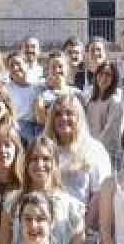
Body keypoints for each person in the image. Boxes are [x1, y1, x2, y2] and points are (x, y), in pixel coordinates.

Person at [0, 137, 87, 244]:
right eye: (34, 159)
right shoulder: (11, 203)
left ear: (55, 163)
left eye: (46, 159)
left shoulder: (73, 208)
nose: (40, 164)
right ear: (26, 164)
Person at [45, 93, 113, 226]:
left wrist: (83, 229)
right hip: (46, 225)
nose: (63, 118)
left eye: (69, 113)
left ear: (79, 117)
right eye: (58, 114)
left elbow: (99, 193)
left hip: (80, 224)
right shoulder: (45, 147)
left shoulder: (94, 149)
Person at [85, 61, 124, 169]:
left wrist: (95, 148)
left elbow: (111, 129)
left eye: (108, 74)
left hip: (108, 153)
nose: (103, 77)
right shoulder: (90, 98)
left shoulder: (116, 99)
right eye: (101, 73)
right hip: (89, 152)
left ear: (114, 78)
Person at [5, 53, 42, 144]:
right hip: (17, 128)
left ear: (26, 65)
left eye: (18, 64)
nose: (15, 68)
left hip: (38, 127)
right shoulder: (6, 90)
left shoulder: (38, 87)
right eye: (11, 66)